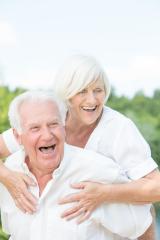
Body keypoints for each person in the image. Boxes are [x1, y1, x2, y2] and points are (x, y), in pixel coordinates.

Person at [0, 55, 160, 239]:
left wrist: (103, 193)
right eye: (82, 91)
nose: (92, 100)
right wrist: (7, 176)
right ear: (66, 93)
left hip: (121, 214)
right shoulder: (50, 116)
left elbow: (155, 190)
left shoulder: (118, 128)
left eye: (98, 90)